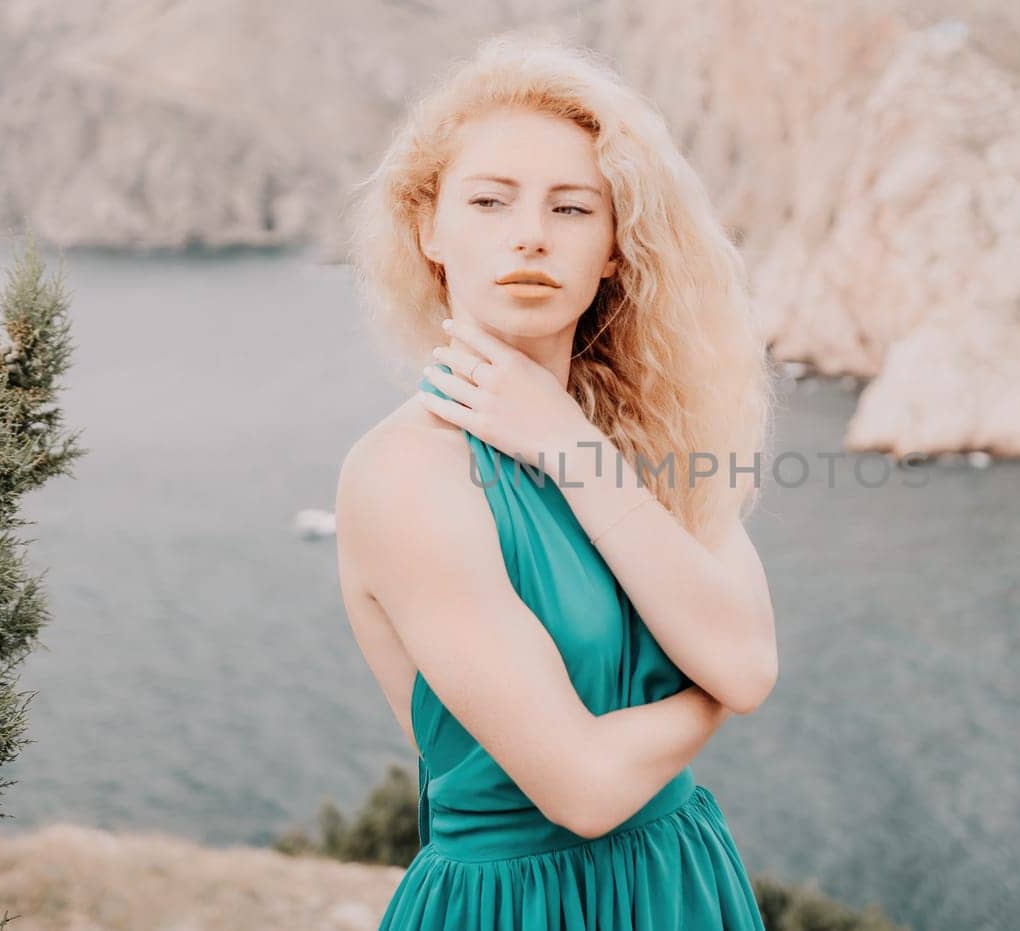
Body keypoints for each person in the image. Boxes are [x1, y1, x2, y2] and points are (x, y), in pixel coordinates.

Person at [334, 32, 779, 929]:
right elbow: (582, 786)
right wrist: (715, 697)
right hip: (517, 906)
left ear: (615, 246)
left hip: (681, 880)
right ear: (429, 228)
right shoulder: (407, 472)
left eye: (573, 208)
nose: (530, 235)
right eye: (490, 201)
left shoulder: (654, 433)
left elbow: (747, 659)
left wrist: (569, 443)